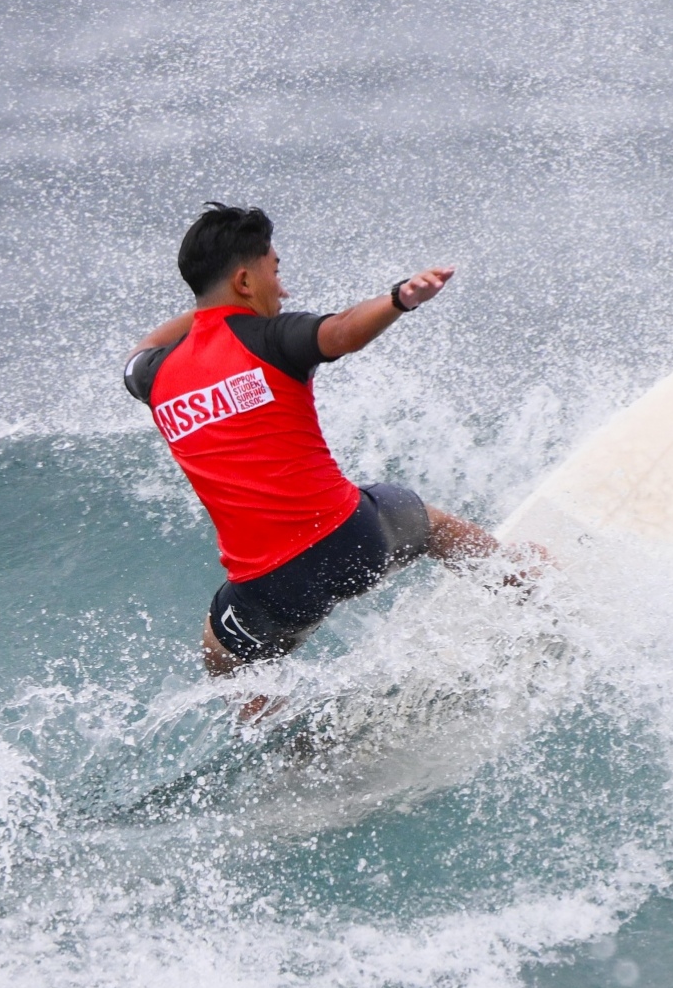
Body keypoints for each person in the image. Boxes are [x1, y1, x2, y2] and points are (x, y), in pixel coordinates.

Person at [124, 203, 508, 679]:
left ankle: (276, 723)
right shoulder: (271, 338)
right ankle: (531, 586)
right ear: (244, 281)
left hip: (271, 586)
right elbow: (342, 332)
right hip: (350, 541)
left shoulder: (153, 376)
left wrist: (210, 304)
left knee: (224, 655)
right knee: (432, 526)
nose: (281, 288)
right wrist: (400, 298)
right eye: (274, 272)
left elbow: (139, 351)